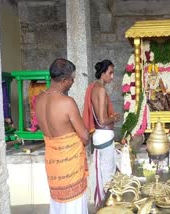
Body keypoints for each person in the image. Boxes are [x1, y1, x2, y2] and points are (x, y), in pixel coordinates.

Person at [35, 58, 89, 214]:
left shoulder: (39, 100)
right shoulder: (67, 102)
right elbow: (84, 137)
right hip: (69, 169)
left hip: (53, 167)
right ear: (64, 80)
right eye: (72, 79)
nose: (73, 82)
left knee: (58, 208)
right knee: (73, 208)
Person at [83, 59, 121, 209]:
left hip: (102, 137)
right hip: (103, 135)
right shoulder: (100, 90)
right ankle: (105, 208)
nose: (112, 76)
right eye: (110, 73)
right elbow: (102, 120)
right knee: (107, 176)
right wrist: (114, 118)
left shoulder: (94, 87)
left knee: (105, 173)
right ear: (103, 73)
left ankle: (105, 207)